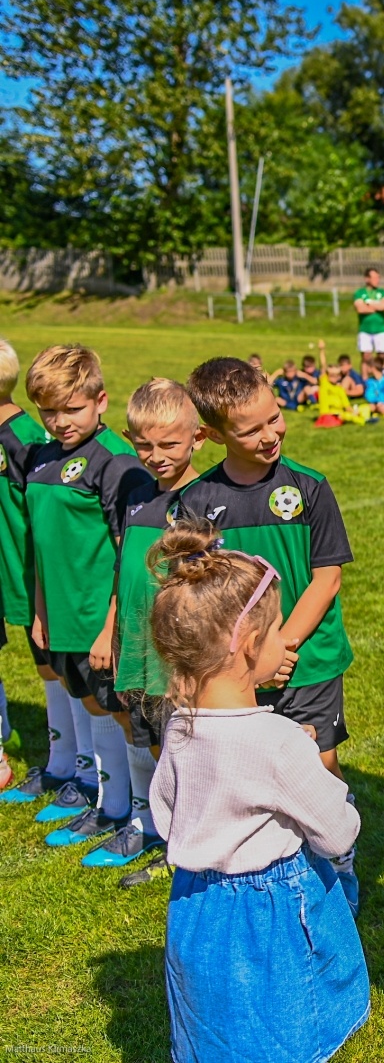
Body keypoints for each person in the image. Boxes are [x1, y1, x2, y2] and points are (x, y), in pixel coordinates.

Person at [147, 522, 367, 1063]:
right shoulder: (277, 741)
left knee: (216, 1021)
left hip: (196, 903)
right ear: (248, 647)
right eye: (274, 632)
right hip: (273, 912)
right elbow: (336, 834)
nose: (282, 640)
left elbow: (166, 813)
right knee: (285, 1027)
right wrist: (305, 762)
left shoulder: (179, 727)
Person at [179, 357, 360, 905]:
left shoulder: (309, 487)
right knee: (248, 765)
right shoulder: (197, 501)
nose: (270, 434)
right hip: (234, 666)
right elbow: (197, 589)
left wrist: (283, 644)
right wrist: (240, 653)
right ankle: (270, 865)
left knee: (316, 762)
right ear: (213, 435)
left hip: (309, 658)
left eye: (274, 417)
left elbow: (327, 578)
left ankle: (338, 865)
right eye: (250, 429)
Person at [23, 345, 151, 852]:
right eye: (47, 412)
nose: (59, 422)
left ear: (101, 400)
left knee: (124, 716)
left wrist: (111, 628)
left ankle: (143, 819)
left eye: (71, 409)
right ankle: (110, 803)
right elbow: (42, 542)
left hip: (100, 619)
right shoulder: (42, 457)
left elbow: (129, 553)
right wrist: (41, 611)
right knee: (93, 706)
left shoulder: (116, 462)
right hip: (62, 615)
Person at [91, 380, 207, 882]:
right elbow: (125, 570)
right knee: (151, 740)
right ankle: (167, 830)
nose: (155, 456)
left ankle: (190, 845)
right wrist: (109, 631)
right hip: (136, 647)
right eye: (143, 445)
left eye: (168, 444)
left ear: (197, 438)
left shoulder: (204, 498)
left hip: (178, 655)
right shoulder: (136, 495)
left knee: (186, 748)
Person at [0, 339, 63, 801]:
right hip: (11, 573)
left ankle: (69, 759)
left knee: (53, 664)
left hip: (29, 575)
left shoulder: (27, 441)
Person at [352, 267, 384, 360]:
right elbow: (360, 309)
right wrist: (378, 306)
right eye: (375, 278)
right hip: (365, 330)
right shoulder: (360, 293)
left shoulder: (382, 292)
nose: (377, 280)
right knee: (366, 357)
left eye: (378, 277)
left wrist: (368, 304)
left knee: (382, 357)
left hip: (380, 329)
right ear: (367, 279)